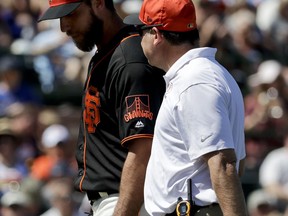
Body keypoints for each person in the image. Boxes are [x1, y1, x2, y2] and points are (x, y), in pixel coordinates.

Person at [38, 0, 165, 215]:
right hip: (113, 201)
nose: (64, 27)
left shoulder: (130, 61)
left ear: (98, 4)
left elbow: (144, 149)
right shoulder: (108, 53)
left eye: (71, 14)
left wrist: (123, 212)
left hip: (129, 202)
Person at [124, 0, 248, 215]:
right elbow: (239, 162)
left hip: (193, 210)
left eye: (140, 31)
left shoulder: (194, 82)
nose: (138, 40)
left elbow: (224, 162)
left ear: (156, 35)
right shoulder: (206, 74)